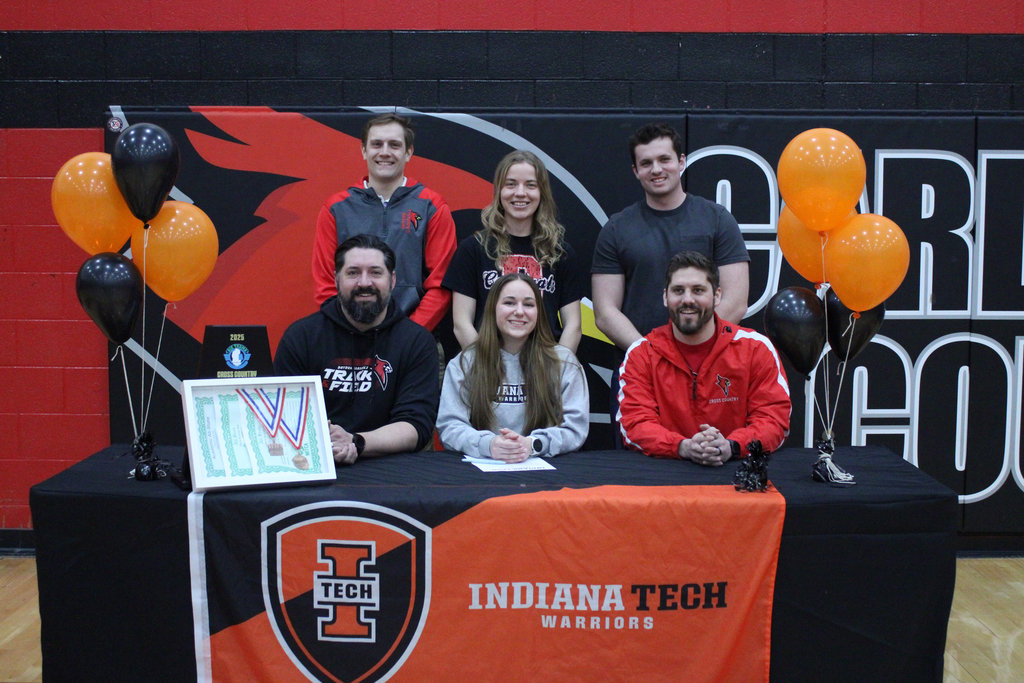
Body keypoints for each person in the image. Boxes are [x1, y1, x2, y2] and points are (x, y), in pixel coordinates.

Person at [277, 234, 439, 464]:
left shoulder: (417, 341)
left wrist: (356, 441)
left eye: (375, 272)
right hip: (316, 461)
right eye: (353, 273)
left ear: (392, 280)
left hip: (393, 469)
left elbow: (416, 425)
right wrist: (328, 441)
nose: (364, 283)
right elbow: (285, 415)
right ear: (336, 279)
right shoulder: (301, 337)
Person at [617, 251, 790, 465]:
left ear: (717, 296)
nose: (687, 300)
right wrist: (683, 447)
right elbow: (634, 424)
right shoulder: (642, 354)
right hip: (665, 478)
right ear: (665, 297)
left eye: (698, 290)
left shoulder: (755, 348)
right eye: (678, 291)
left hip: (737, 476)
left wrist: (732, 446)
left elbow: (773, 420)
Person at [592, 122, 750, 352]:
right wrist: (649, 353)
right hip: (640, 364)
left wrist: (691, 347)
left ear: (681, 162)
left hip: (706, 361)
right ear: (636, 171)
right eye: (646, 163)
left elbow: (735, 303)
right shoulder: (616, 229)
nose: (656, 169)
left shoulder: (717, 220)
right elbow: (605, 313)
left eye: (664, 159)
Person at [311, 112, 456, 332]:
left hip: (412, 337)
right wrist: (349, 329)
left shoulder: (431, 206)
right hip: (348, 336)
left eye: (394, 145)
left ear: (408, 153)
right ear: (364, 150)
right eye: (377, 144)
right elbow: (325, 284)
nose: (385, 152)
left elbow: (441, 284)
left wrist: (409, 333)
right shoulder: (336, 208)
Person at [437, 273, 589, 462]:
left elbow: (575, 429)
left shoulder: (564, 363)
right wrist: (490, 445)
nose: (519, 311)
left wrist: (532, 444)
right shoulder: (465, 362)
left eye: (528, 304)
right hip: (482, 470)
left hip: (547, 472)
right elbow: (450, 426)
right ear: (492, 308)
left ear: (539, 312)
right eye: (509, 303)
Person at [443, 150, 584, 353]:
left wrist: (557, 370)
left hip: (544, 368)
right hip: (488, 368)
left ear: (542, 192)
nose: (520, 193)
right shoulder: (473, 249)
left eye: (530, 185)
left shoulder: (560, 252)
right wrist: (486, 368)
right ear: (499, 191)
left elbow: (574, 327)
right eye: (510, 184)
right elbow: (461, 324)